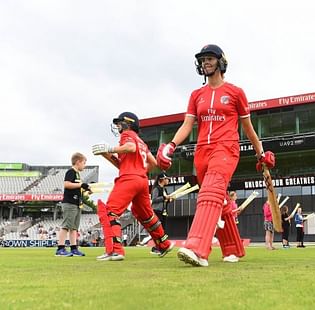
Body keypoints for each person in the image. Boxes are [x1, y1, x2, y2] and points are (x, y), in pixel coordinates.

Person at [156, 44, 275, 267]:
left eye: (210, 58)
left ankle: (198, 249)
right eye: (202, 60)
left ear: (221, 62)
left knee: (210, 193)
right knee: (218, 200)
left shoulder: (235, 92)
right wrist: (170, 145)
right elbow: (187, 125)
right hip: (202, 152)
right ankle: (233, 248)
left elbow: (248, 127)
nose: (206, 63)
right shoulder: (196, 95)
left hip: (226, 148)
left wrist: (261, 153)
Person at [92, 112, 175, 261]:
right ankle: (164, 243)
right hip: (142, 180)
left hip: (129, 178)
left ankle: (115, 250)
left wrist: (111, 149)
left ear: (128, 124)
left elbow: (130, 147)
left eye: (119, 123)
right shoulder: (142, 141)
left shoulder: (127, 135)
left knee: (110, 211)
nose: (117, 126)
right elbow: (153, 163)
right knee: (146, 215)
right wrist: (106, 154)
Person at [55, 152, 94, 257]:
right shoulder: (71, 171)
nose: (84, 165)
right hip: (70, 203)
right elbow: (67, 184)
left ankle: (74, 249)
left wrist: (87, 190)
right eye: (84, 163)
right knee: (66, 226)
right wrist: (81, 184)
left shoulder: (77, 174)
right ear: (78, 162)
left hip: (77, 203)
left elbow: (77, 189)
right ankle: (60, 249)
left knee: (74, 228)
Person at [149, 172, 173, 254]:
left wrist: (168, 200)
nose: (168, 180)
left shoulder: (164, 189)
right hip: (157, 211)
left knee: (163, 231)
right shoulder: (157, 188)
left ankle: (161, 247)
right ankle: (158, 247)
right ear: (162, 179)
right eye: (167, 179)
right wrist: (164, 197)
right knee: (159, 231)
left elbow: (164, 201)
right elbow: (154, 200)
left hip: (163, 212)